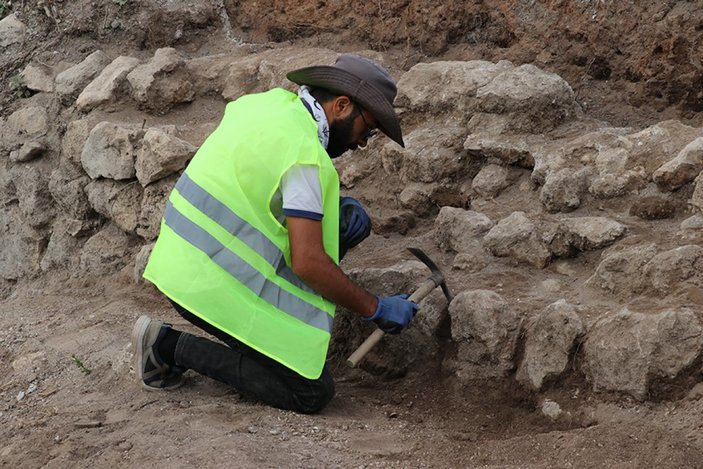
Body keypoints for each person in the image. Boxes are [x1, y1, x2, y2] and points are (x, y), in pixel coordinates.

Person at [132, 54, 419, 414]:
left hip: (178, 263)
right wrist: (374, 307)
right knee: (310, 394)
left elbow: (259, 186)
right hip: (207, 288)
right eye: (369, 129)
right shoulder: (305, 156)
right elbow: (308, 262)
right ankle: (167, 347)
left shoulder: (263, 105)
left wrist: (334, 211)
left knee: (342, 225)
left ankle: (259, 347)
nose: (363, 143)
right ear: (342, 105)